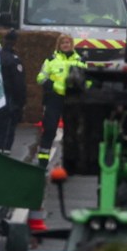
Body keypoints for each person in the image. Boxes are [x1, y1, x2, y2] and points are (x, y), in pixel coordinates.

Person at [36, 35, 83, 164]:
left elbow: (87, 80)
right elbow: (40, 77)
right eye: (63, 43)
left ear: (72, 44)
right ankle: (42, 161)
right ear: (59, 45)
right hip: (54, 98)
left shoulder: (80, 60)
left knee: (72, 132)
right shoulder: (51, 60)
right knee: (50, 129)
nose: (66, 45)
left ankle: (70, 161)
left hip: (72, 99)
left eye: (68, 42)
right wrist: (51, 85)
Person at [0, 31, 26, 152]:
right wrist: (21, 102)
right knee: (7, 129)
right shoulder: (14, 60)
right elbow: (18, 84)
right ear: (15, 43)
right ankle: (4, 153)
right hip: (10, 98)